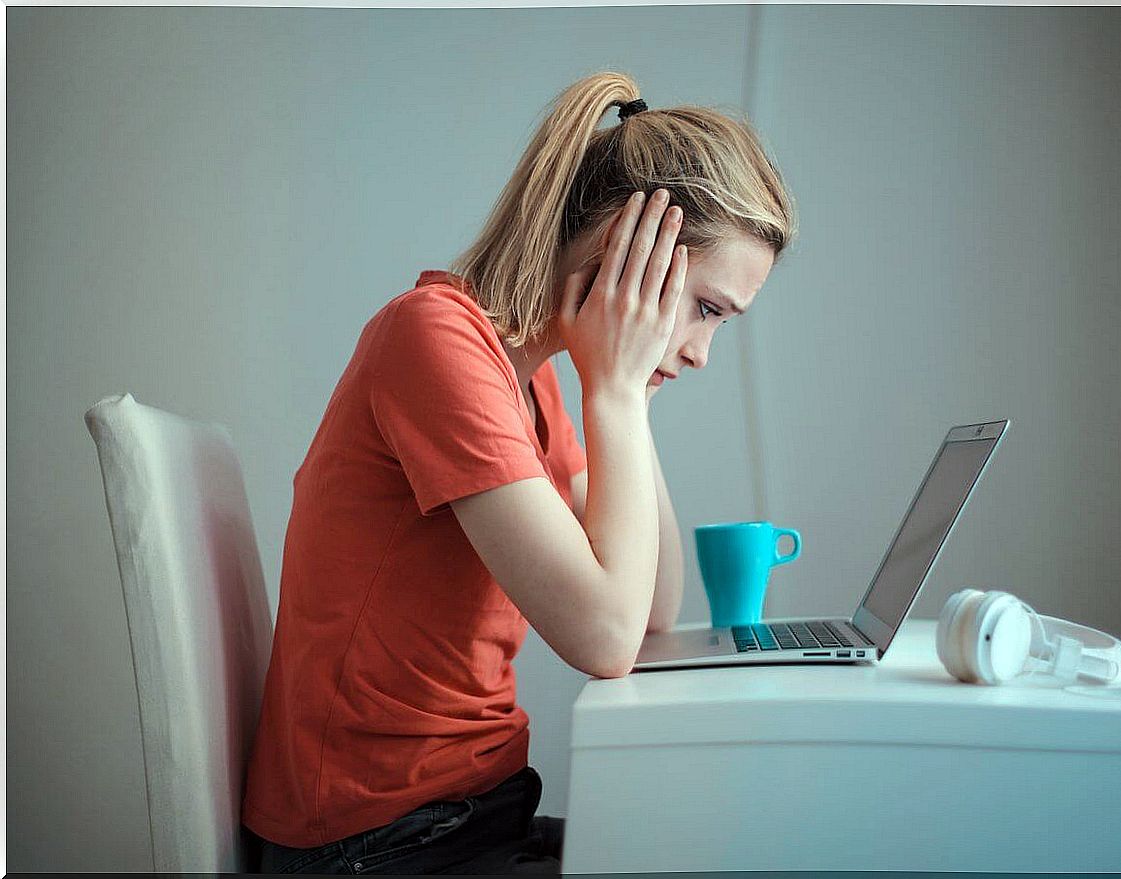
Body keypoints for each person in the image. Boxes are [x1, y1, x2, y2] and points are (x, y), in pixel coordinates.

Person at [240, 70, 797, 875]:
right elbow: (605, 636)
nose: (704, 350)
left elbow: (650, 608)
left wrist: (627, 391)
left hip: (467, 813)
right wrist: (614, 391)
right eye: (707, 308)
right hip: (376, 841)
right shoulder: (434, 342)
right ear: (627, 252)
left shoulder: (527, 378)